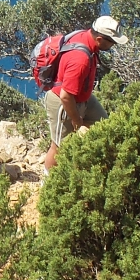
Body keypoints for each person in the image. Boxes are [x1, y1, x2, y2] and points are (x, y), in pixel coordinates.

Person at [43, 16, 127, 171]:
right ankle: (49, 180)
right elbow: (66, 96)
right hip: (63, 102)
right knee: (60, 146)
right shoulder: (80, 60)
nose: (113, 45)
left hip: (83, 97)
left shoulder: (86, 36)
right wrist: (77, 120)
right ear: (100, 39)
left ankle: (94, 165)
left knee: (104, 125)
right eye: (112, 42)